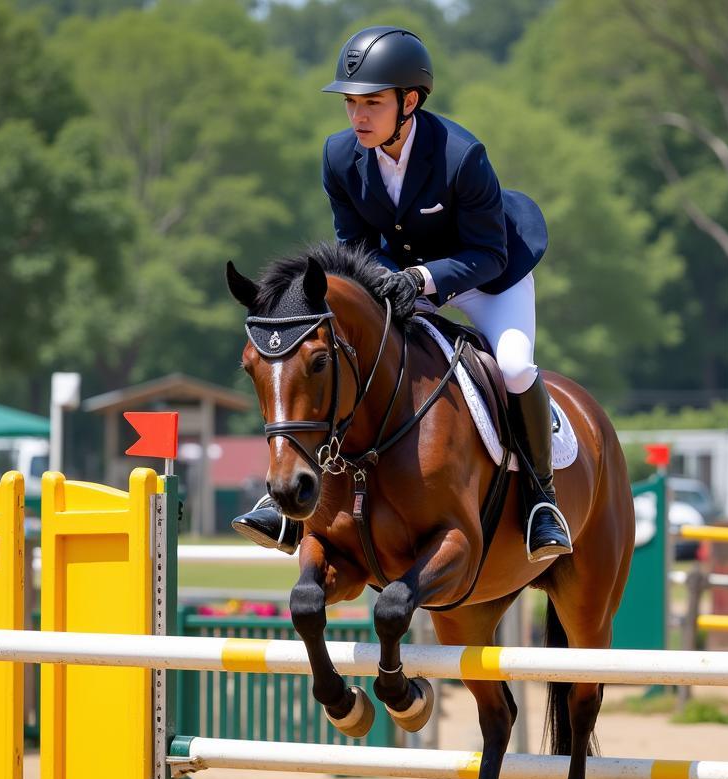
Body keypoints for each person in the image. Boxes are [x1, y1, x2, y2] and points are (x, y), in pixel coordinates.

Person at [233, 25, 572, 564]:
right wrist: (390, 281)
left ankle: (540, 499)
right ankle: (295, 500)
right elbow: (356, 246)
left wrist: (420, 280)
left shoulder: (461, 156)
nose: (358, 117)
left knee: (513, 367)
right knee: (350, 354)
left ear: (409, 101)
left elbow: (489, 254)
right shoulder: (340, 157)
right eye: (350, 104)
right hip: (400, 277)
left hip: (487, 276)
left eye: (372, 102)